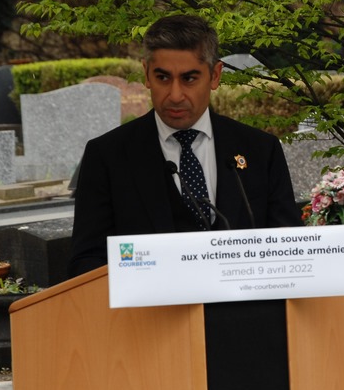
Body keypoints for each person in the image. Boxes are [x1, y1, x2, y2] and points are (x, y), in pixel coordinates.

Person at [68, 14, 301, 278]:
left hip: (243, 315)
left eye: (189, 79)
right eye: (163, 78)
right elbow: (86, 263)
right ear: (146, 74)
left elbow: (288, 247)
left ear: (215, 76)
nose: (175, 95)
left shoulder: (260, 150)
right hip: (149, 315)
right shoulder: (107, 156)